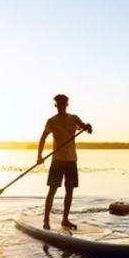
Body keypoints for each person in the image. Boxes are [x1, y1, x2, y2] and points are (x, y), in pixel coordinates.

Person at [37, 94, 92, 230]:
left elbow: (87, 129)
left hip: (71, 160)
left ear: (67, 105)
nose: (61, 106)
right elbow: (43, 138)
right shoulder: (52, 121)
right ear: (55, 105)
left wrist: (88, 127)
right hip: (57, 160)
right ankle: (46, 220)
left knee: (70, 190)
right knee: (52, 190)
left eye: (63, 104)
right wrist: (39, 156)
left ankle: (65, 219)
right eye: (58, 104)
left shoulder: (74, 118)